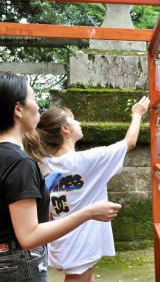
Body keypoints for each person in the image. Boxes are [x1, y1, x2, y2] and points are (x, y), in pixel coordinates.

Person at [0, 71, 122, 282]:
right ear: (18, 109)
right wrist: (89, 212)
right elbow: (29, 237)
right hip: (17, 264)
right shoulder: (20, 163)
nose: (38, 106)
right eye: (34, 98)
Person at [23, 93, 150, 281]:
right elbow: (129, 143)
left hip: (64, 238)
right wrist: (137, 114)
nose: (79, 123)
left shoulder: (44, 164)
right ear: (65, 129)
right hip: (80, 242)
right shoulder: (86, 160)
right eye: (74, 120)